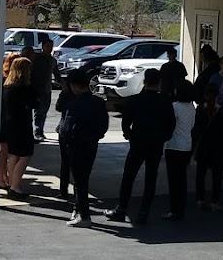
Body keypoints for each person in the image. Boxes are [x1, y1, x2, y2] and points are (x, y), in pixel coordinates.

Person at [108, 68, 175, 224]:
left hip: (138, 142)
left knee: (129, 176)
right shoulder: (165, 101)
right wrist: (163, 138)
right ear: (159, 83)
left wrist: (130, 136)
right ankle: (144, 211)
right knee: (151, 177)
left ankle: (122, 208)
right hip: (156, 143)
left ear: (144, 82)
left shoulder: (134, 100)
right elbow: (171, 124)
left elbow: (126, 123)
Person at [56, 69, 108, 227]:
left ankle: (84, 215)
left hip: (76, 146)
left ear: (73, 85)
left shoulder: (73, 105)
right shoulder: (99, 102)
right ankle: (78, 209)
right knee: (84, 178)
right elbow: (103, 125)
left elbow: (66, 128)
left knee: (79, 181)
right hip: (91, 144)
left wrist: (67, 140)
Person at [0, 56, 36, 196]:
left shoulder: (7, 86)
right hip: (22, 125)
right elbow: (34, 103)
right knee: (25, 155)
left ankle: (11, 183)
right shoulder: (24, 88)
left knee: (13, 155)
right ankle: (15, 186)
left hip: (10, 124)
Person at [194, 75, 223, 211]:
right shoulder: (222, 111)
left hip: (203, 145)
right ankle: (214, 201)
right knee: (217, 176)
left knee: (201, 174)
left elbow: (196, 130)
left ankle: (200, 199)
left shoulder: (200, 111)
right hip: (218, 147)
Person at [164, 80, 197, 220]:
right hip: (186, 145)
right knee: (182, 179)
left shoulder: (174, 107)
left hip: (173, 145)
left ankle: (174, 209)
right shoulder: (192, 107)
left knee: (173, 179)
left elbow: (168, 124)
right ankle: (180, 208)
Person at [29, 35, 57, 140]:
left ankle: (40, 130)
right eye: (48, 46)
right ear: (43, 46)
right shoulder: (37, 58)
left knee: (44, 111)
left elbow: (56, 75)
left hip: (47, 89)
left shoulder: (53, 60)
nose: (50, 48)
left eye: (51, 46)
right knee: (38, 111)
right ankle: (37, 131)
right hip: (37, 89)